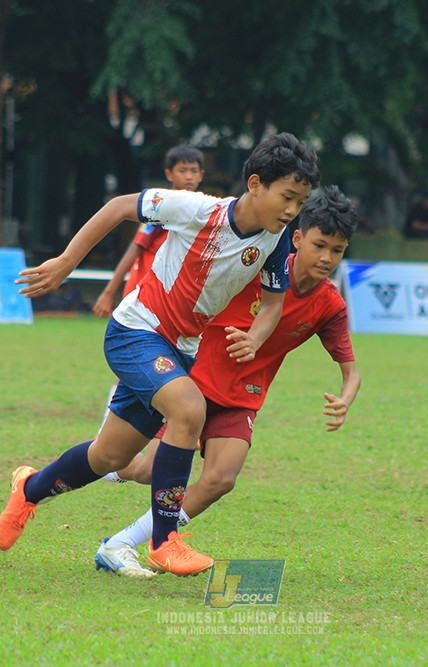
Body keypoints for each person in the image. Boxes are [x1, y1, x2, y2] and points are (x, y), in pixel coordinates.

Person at [0, 133, 320, 577]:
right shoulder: (198, 210)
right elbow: (118, 207)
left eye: (300, 202)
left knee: (110, 457)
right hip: (136, 331)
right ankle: (164, 540)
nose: (291, 210)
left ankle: (29, 489)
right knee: (189, 409)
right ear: (255, 184)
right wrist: (67, 262)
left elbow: (273, 304)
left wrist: (256, 337)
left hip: (179, 351)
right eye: (287, 197)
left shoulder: (277, 239)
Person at [94, 186, 362, 578]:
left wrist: (345, 399)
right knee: (146, 469)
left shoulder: (330, 304)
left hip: (242, 397)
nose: (327, 258)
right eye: (320, 245)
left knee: (221, 479)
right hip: (194, 382)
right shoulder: (258, 264)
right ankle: (104, 460)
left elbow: (351, 371)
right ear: (297, 238)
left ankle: (122, 543)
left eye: (337, 251)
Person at [92, 145, 205, 318]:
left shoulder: (203, 210)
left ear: (201, 175)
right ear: (169, 174)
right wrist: (109, 292)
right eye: (182, 170)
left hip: (171, 296)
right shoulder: (161, 207)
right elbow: (135, 247)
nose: (189, 176)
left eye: (194, 171)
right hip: (143, 292)